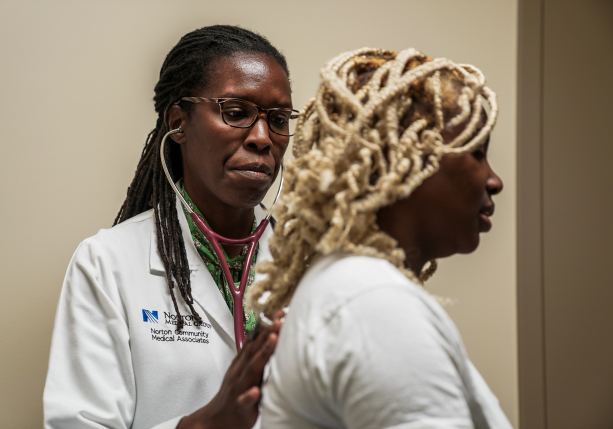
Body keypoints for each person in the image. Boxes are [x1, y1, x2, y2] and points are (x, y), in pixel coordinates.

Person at [44, 25, 295, 429]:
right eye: (236, 113)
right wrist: (206, 424)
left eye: (279, 119)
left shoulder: (311, 266)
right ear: (178, 122)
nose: (263, 138)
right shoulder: (108, 263)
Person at [248, 48, 513, 428]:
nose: (494, 180)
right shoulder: (372, 301)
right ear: (403, 157)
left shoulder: (350, 284)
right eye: (477, 152)